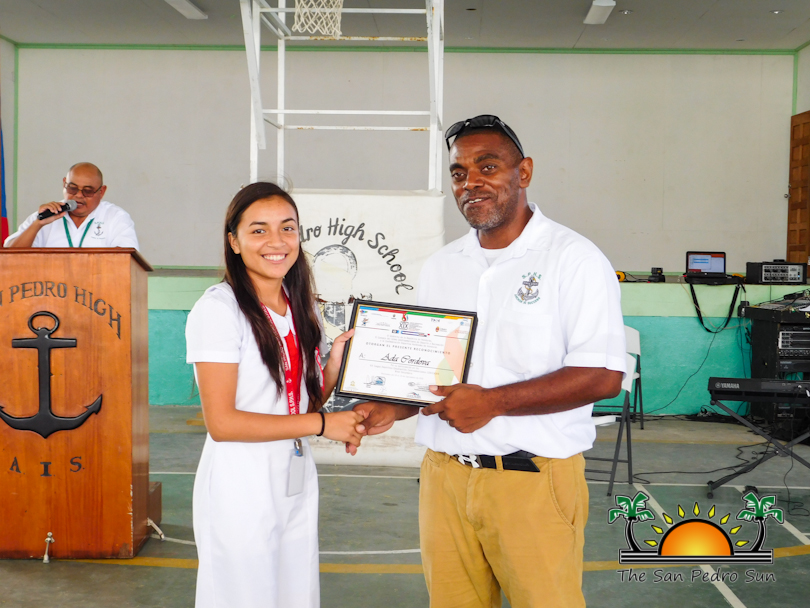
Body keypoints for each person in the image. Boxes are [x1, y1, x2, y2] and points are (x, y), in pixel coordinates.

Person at [354, 115, 627, 608]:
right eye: (459, 173)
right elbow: (433, 374)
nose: (471, 183)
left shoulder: (574, 259)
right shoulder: (442, 266)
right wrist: (392, 407)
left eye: (488, 166)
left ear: (524, 172)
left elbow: (604, 376)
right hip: (444, 478)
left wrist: (493, 402)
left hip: (532, 481)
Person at [185, 182, 366, 608]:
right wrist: (323, 425)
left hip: (294, 473)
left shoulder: (300, 306)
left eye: (288, 228)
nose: (277, 241)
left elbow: (300, 404)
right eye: (259, 230)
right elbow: (222, 424)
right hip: (240, 481)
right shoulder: (218, 310)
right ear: (234, 241)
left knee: (295, 596)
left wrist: (334, 368)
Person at [3, 162, 139, 249]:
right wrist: (37, 224)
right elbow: (9, 255)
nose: (78, 195)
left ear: (101, 192)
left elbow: (126, 260)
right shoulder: (45, 216)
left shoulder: (115, 217)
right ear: (64, 184)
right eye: (72, 188)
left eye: (87, 191)